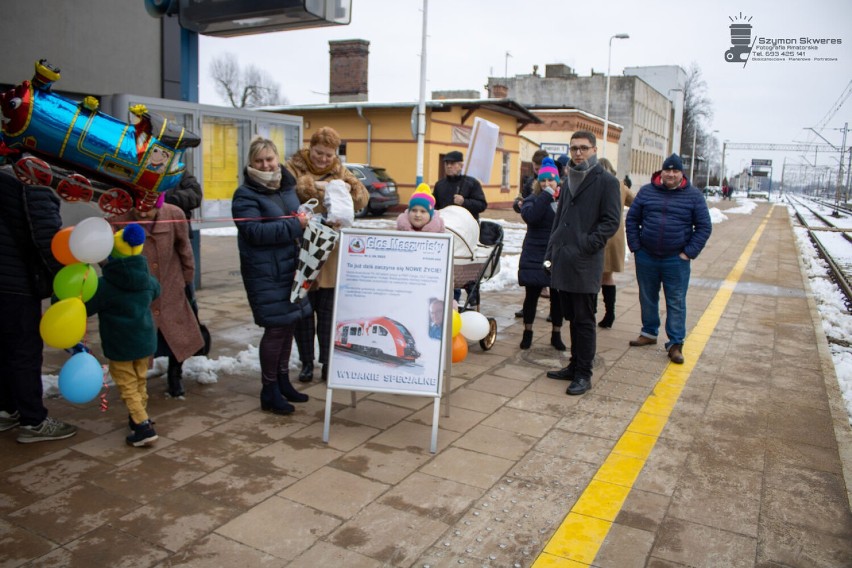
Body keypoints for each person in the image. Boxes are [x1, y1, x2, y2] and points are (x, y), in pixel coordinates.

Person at [233, 137, 312, 415]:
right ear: (251, 163)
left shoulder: (286, 185)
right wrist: (295, 224)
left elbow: (296, 216)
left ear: (277, 159)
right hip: (265, 272)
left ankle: (282, 381)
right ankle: (268, 390)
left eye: (270, 159)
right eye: (259, 160)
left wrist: (305, 219)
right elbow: (254, 233)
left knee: (289, 324)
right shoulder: (245, 195)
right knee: (276, 328)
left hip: (291, 267)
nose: (266, 165)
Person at [286, 127, 369, 383]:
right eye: (319, 153)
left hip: (330, 252)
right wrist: (317, 185)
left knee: (328, 311)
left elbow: (362, 199)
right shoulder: (293, 168)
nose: (323, 159)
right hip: (303, 248)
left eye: (329, 154)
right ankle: (306, 362)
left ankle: (327, 361)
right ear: (310, 148)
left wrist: (349, 188)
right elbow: (290, 193)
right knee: (303, 312)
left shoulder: (340, 172)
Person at [0, 171, 77, 443]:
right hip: (14, 283)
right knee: (24, 352)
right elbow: (47, 239)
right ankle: (34, 421)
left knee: (5, 349)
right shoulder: (30, 180)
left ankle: (7, 409)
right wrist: (65, 286)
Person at [544, 131, 621, 395]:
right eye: (574, 148)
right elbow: (559, 219)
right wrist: (551, 250)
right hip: (563, 259)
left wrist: (586, 244)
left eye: (583, 148)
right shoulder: (569, 180)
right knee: (572, 318)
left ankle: (584, 374)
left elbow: (611, 221)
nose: (578, 153)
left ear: (594, 150)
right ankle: (573, 365)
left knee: (585, 320)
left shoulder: (607, 181)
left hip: (585, 261)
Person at [625, 153, 712, 365]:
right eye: (667, 170)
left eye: (675, 171)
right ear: (661, 172)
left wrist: (688, 252)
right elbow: (632, 219)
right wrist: (636, 247)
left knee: (676, 300)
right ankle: (649, 332)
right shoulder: (646, 192)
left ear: (681, 173)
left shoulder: (693, 196)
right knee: (647, 296)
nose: (670, 174)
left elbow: (704, 227)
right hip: (647, 256)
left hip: (676, 259)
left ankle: (675, 343)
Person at [112, 200, 204, 399]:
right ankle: (137, 381)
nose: (143, 215)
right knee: (141, 338)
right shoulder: (118, 218)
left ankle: (175, 373)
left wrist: (187, 278)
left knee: (177, 335)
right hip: (138, 290)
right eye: (138, 209)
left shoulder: (174, 213)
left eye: (149, 210)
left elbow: (184, 247)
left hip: (170, 284)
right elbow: (108, 255)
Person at [86, 224, 162, 447]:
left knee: (127, 385)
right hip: (145, 340)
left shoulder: (105, 285)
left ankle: (142, 426)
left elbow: (87, 307)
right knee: (140, 380)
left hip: (120, 344)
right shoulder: (148, 282)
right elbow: (157, 290)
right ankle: (139, 415)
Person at [517, 157, 565, 351]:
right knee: (532, 295)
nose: (547, 184)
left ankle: (556, 334)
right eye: (543, 180)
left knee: (557, 296)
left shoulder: (564, 200)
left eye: (550, 180)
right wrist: (546, 195)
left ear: (557, 180)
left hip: (555, 254)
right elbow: (531, 217)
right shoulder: (532, 199)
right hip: (534, 253)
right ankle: (527, 332)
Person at [597, 158, 635, 329]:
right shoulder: (620, 185)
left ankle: (592, 310)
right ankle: (609, 312)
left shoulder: (595, 183)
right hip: (615, 235)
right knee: (607, 276)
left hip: (598, 233)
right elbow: (636, 202)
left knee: (593, 275)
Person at [433, 151, 487, 220]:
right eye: (447, 163)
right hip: (446, 224)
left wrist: (464, 202)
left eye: (452, 163)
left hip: (466, 224)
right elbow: (435, 206)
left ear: (461, 166)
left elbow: (482, 205)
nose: (449, 166)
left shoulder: (471, 183)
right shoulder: (439, 184)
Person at [513, 149, 549, 214]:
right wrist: (518, 204)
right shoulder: (530, 182)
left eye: (542, 169)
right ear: (533, 165)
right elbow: (521, 197)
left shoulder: (556, 182)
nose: (539, 172)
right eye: (536, 169)